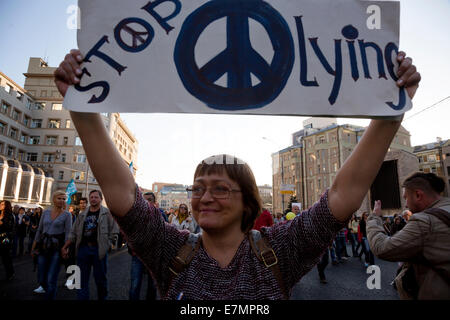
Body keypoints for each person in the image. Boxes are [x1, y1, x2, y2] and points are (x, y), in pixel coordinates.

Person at [54, 49, 420, 299]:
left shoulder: (280, 249)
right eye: (198, 188)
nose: (205, 197)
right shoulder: (169, 248)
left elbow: (343, 195)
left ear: (248, 202)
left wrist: (390, 113)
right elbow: (122, 192)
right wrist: (81, 107)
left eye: (220, 188)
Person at [368, 173, 450, 299]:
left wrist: (374, 217)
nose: (406, 204)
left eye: (406, 197)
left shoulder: (424, 221)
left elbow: (381, 248)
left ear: (418, 195)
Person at [61, 190, 117, 300]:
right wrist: (65, 246)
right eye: (91, 197)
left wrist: (108, 245)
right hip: (83, 249)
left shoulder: (107, 213)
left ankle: (103, 298)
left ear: (101, 199)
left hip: (98, 250)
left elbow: (114, 231)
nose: (93, 199)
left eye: (96, 197)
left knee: (100, 279)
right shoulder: (82, 215)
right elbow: (73, 232)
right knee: (81, 279)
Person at [31, 191, 72, 299]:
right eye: (59, 198)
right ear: (54, 199)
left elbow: (68, 234)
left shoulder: (67, 215)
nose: (62, 200)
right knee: (41, 278)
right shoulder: (45, 212)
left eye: (64, 199)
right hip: (43, 247)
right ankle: (46, 288)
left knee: (51, 279)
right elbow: (39, 230)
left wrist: (65, 248)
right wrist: (33, 247)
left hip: (56, 249)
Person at [128, 191, 159, 300]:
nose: (146, 202)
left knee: (152, 286)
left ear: (155, 202)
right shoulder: (135, 216)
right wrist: (131, 248)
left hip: (154, 257)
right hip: (138, 256)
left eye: (149, 200)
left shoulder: (160, 215)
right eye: (144, 200)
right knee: (135, 284)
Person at [0, 200, 15, 281]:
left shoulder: (10, 216)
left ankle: (10, 273)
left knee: (6, 257)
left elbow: (9, 227)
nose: (1, 205)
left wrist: (2, 223)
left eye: (3, 204)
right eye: (0, 204)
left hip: (5, 239)